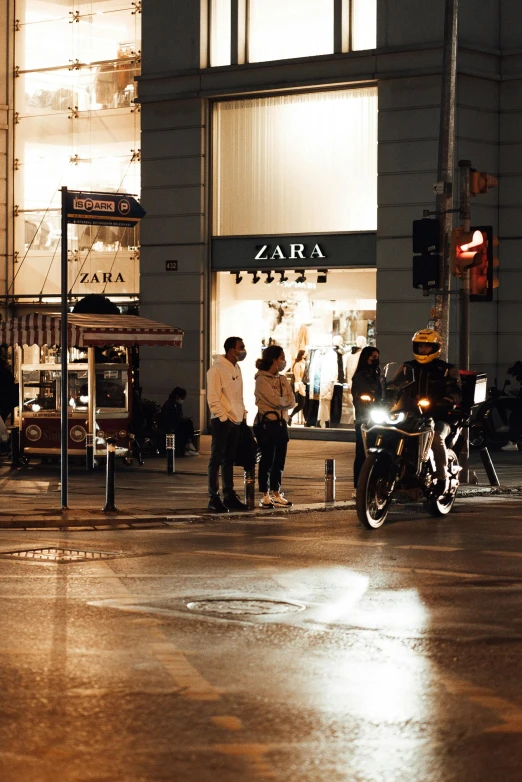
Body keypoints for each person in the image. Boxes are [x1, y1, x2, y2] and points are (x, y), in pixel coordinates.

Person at [394, 329, 461, 494]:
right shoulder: (407, 367)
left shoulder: (446, 369)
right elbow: (394, 386)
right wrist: (382, 394)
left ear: (435, 348)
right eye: (420, 347)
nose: (423, 350)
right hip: (412, 415)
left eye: (427, 347)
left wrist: (449, 400)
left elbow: (456, 391)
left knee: (436, 437)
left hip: (439, 416)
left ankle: (442, 476)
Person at [206, 336, 248, 513]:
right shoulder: (216, 370)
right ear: (231, 350)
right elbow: (213, 397)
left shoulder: (236, 368)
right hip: (223, 420)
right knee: (217, 458)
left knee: (229, 459)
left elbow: (238, 395)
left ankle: (229, 494)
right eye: (241, 347)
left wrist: (242, 414)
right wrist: (223, 416)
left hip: (236, 419)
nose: (243, 349)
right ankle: (214, 497)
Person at [254, 345, 296, 508]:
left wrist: (283, 402)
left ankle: (276, 492)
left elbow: (292, 400)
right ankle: (264, 494)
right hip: (266, 424)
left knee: (279, 460)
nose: (283, 361)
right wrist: (283, 401)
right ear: (273, 359)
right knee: (267, 459)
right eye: (281, 358)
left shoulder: (283, 379)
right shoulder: (261, 379)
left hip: (281, 423)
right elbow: (273, 400)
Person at [351, 346, 382, 496]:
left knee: (379, 451)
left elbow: (385, 393)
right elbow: (358, 394)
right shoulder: (359, 376)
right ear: (366, 357)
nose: (375, 359)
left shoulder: (378, 374)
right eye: (372, 357)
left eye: (377, 356)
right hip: (364, 418)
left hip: (378, 417)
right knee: (362, 452)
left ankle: (375, 484)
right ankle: (358, 485)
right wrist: (365, 397)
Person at [161, 387, 198, 457]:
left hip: (175, 424)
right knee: (187, 424)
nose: (183, 399)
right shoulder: (170, 404)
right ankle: (187, 444)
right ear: (177, 396)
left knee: (188, 423)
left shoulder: (176, 404)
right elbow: (170, 418)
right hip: (170, 426)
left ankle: (188, 444)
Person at [288, 350, 307, 425]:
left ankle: (291, 416)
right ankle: (290, 416)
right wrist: (299, 387)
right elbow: (297, 376)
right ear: (302, 355)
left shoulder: (303, 363)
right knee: (301, 404)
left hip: (302, 385)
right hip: (299, 386)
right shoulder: (298, 364)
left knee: (303, 404)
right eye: (305, 353)